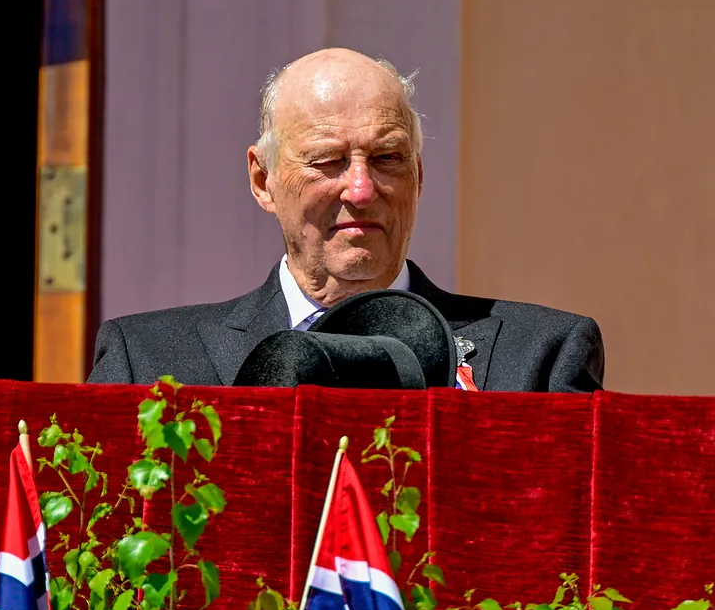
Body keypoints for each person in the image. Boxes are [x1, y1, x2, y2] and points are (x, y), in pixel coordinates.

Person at [88, 48, 604, 392]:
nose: (360, 190)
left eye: (387, 159)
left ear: (418, 178)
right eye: (326, 161)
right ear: (263, 180)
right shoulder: (150, 363)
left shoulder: (540, 358)